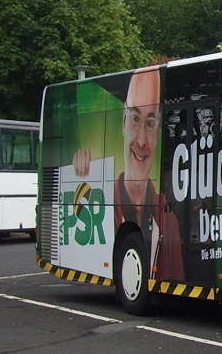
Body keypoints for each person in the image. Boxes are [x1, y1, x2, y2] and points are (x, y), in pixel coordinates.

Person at [73, 66, 184, 280]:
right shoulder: (98, 197)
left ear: (159, 129)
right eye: (135, 119)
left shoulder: (169, 222)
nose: (142, 141)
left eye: (150, 124)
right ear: (123, 121)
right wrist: (78, 173)